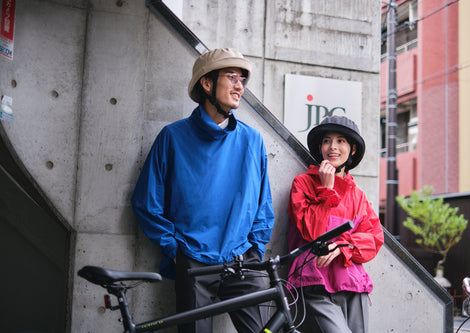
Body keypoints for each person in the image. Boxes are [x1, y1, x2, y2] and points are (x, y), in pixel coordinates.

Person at [131, 48, 275, 333]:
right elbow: (147, 202)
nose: (239, 86)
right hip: (194, 262)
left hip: (242, 260)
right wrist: (176, 251)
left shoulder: (252, 140)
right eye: (231, 77)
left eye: (243, 80)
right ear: (207, 84)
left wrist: (255, 250)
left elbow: (263, 205)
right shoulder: (172, 137)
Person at [287, 115, 384, 333]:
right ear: (320, 147)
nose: (333, 147)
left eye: (341, 141)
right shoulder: (302, 183)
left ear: (353, 150)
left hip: (353, 286)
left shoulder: (358, 195)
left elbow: (374, 239)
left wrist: (343, 245)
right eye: (326, 140)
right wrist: (326, 190)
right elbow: (312, 231)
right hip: (313, 284)